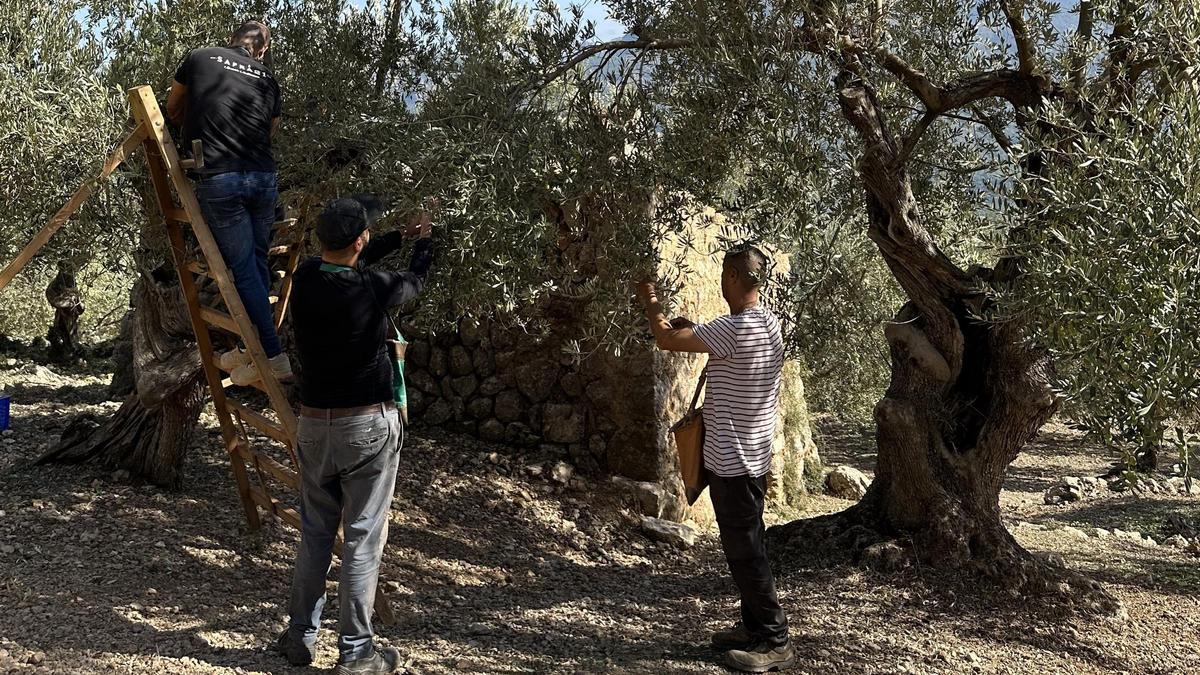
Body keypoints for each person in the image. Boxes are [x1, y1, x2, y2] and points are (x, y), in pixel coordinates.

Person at [275, 195, 436, 675]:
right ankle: (356, 652)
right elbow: (417, 279)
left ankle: (300, 636)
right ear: (359, 241)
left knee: (315, 534)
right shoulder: (374, 288)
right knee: (363, 539)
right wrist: (424, 239)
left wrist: (393, 237)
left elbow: (353, 258)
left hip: (313, 425)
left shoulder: (303, 278)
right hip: (366, 425)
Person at [635, 246, 795, 673]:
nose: (722, 281)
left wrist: (649, 299)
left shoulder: (732, 329)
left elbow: (665, 339)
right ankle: (752, 628)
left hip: (733, 462)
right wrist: (698, 330)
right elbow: (720, 344)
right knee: (746, 546)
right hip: (754, 459)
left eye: (725, 274)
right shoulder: (770, 325)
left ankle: (774, 641)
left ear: (733, 277)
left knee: (747, 553)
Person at [165, 20, 291, 383]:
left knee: (244, 270)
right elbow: (271, 130)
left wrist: (200, 123)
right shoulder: (269, 79)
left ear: (232, 41)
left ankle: (272, 353)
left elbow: (173, 107)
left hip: (221, 178)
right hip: (263, 178)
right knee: (255, 263)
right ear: (262, 49)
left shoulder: (200, 57)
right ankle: (254, 350)